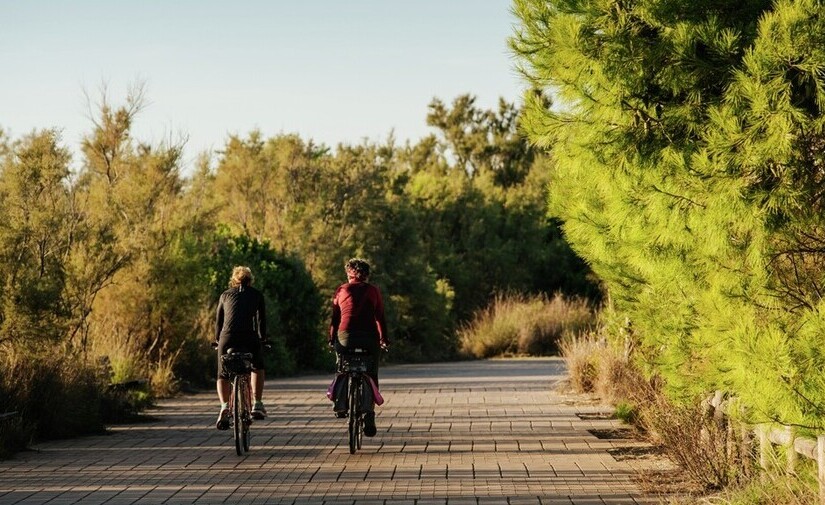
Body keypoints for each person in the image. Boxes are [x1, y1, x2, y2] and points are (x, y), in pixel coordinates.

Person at [329, 258, 388, 437]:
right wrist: (384, 339)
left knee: (342, 367)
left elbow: (334, 319)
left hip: (345, 337)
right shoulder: (373, 291)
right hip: (369, 338)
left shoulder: (341, 290)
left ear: (349, 274)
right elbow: (380, 318)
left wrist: (332, 339)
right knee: (371, 373)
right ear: (367, 275)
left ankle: (340, 404)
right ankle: (369, 414)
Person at [214, 266, 268, 430]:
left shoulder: (225, 295)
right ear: (250, 280)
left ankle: (224, 406)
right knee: (257, 366)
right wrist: (263, 339)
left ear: (234, 280)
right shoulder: (257, 295)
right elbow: (261, 322)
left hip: (227, 338)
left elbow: (219, 322)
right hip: (249, 337)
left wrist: (217, 340)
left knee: (222, 373)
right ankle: (257, 403)